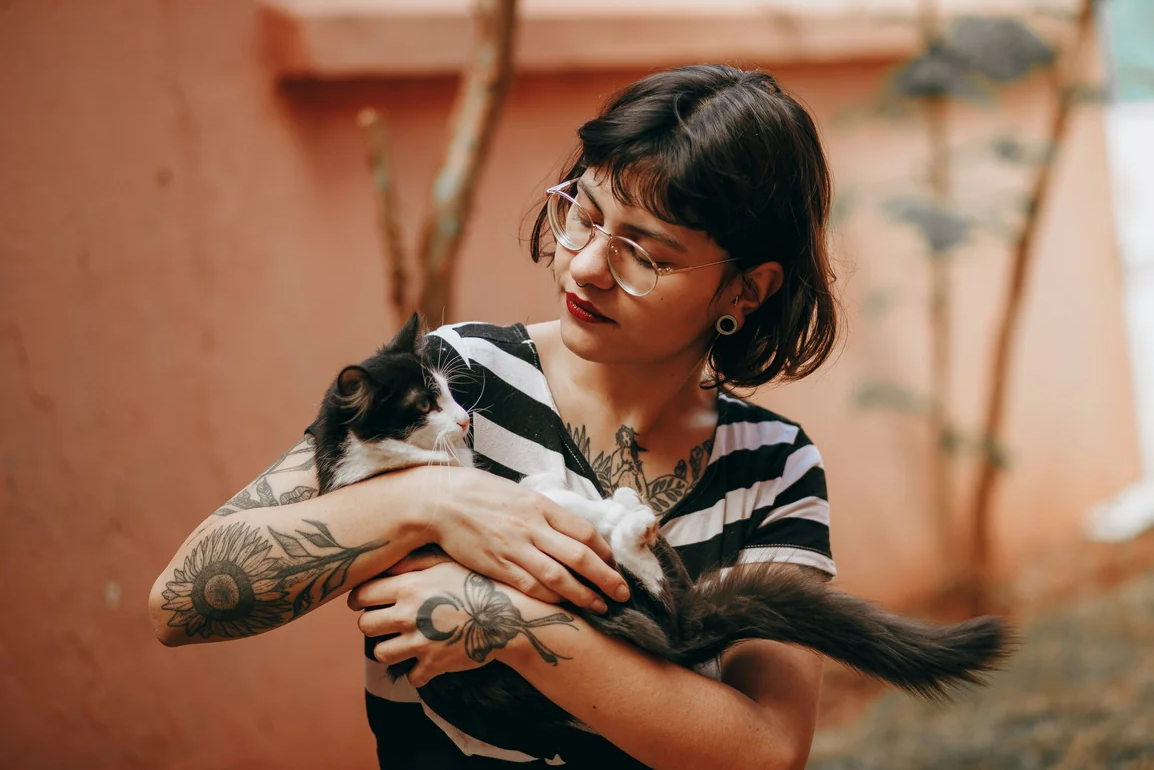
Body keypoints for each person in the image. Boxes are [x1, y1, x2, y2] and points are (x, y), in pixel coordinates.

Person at [149, 64, 839, 769]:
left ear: (746, 290)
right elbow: (181, 603)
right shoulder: (457, 383)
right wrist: (430, 501)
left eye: (644, 254)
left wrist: (512, 625)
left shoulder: (773, 467)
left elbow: (768, 750)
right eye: (584, 215)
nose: (585, 267)